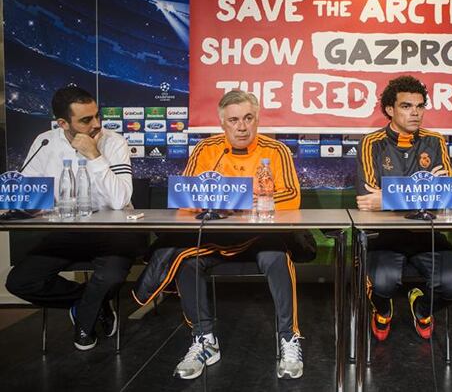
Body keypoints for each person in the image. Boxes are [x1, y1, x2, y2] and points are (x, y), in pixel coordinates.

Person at [133, 90, 304, 380]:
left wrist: (239, 200)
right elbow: (184, 195)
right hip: (216, 238)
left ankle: (289, 339)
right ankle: (204, 340)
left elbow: (291, 197)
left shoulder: (276, 150)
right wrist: (208, 201)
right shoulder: (206, 150)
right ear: (222, 123)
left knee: (277, 256)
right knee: (187, 261)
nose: (242, 126)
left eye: (248, 118)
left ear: (257, 118)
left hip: (259, 238)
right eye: (234, 120)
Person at [6, 86, 144, 351]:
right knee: (20, 281)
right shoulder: (45, 142)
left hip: (113, 233)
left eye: (97, 116)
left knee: (112, 277)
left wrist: (94, 155)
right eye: (86, 120)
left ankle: (84, 323)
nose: (96, 124)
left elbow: (118, 200)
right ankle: (89, 303)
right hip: (67, 232)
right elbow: (28, 190)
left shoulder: (114, 143)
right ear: (62, 123)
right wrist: (24, 201)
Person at [356, 75, 452, 341]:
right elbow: (366, 200)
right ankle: (383, 310)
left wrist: (389, 197)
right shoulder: (371, 143)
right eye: (406, 106)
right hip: (385, 235)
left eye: (419, 106)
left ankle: (422, 307)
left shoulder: (435, 141)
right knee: (382, 283)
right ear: (390, 110)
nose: (415, 112)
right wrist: (427, 190)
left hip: (426, 234)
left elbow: (449, 195)